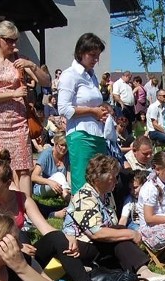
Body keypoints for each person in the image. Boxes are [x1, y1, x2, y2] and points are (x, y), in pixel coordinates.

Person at [0, 152, 111, 281]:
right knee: (23, 239)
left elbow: (45, 228)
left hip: (24, 256)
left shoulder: (22, 199)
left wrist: (67, 237)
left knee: (57, 238)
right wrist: (18, 247)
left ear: (7, 183)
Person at [63, 154, 165, 281]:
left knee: (118, 232)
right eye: (114, 178)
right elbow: (97, 233)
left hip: (96, 245)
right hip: (77, 246)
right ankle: (144, 273)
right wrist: (130, 233)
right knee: (119, 232)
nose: (117, 181)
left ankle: (140, 273)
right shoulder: (85, 196)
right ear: (100, 179)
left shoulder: (106, 195)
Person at [0, 20, 50, 197]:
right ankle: (2, 206)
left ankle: (25, 208)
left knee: (24, 168)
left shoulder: (20, 60)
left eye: (15, 40)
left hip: (19, 121)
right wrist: (13, 93)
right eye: (9, 40)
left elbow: (46, 81)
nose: (13, 44)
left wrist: (32, 65)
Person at [57, 32, 109, 194]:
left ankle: (97, 213)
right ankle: (78, 215)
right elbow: (63, 108)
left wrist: (104, 107)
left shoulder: (92, 77)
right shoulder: (69, 75)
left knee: (99, 177)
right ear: (81, 53)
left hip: (98, 133)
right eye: (92, 55)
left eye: (98, 56)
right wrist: (93, 111)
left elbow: (93, 101)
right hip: (80, 134)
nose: (96, 60)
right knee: (82, 179)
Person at [31, 132, 70, 197]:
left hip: (60, 187)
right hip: (43, 186)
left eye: (66, 145)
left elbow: (69, 176)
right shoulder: (47, 154)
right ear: (55, 143)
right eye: (62, 145)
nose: (64, 148)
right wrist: (50, 182)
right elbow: (33, 177)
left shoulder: (68, 155)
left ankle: (67, 195)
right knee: (59, 175)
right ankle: (68, 199)